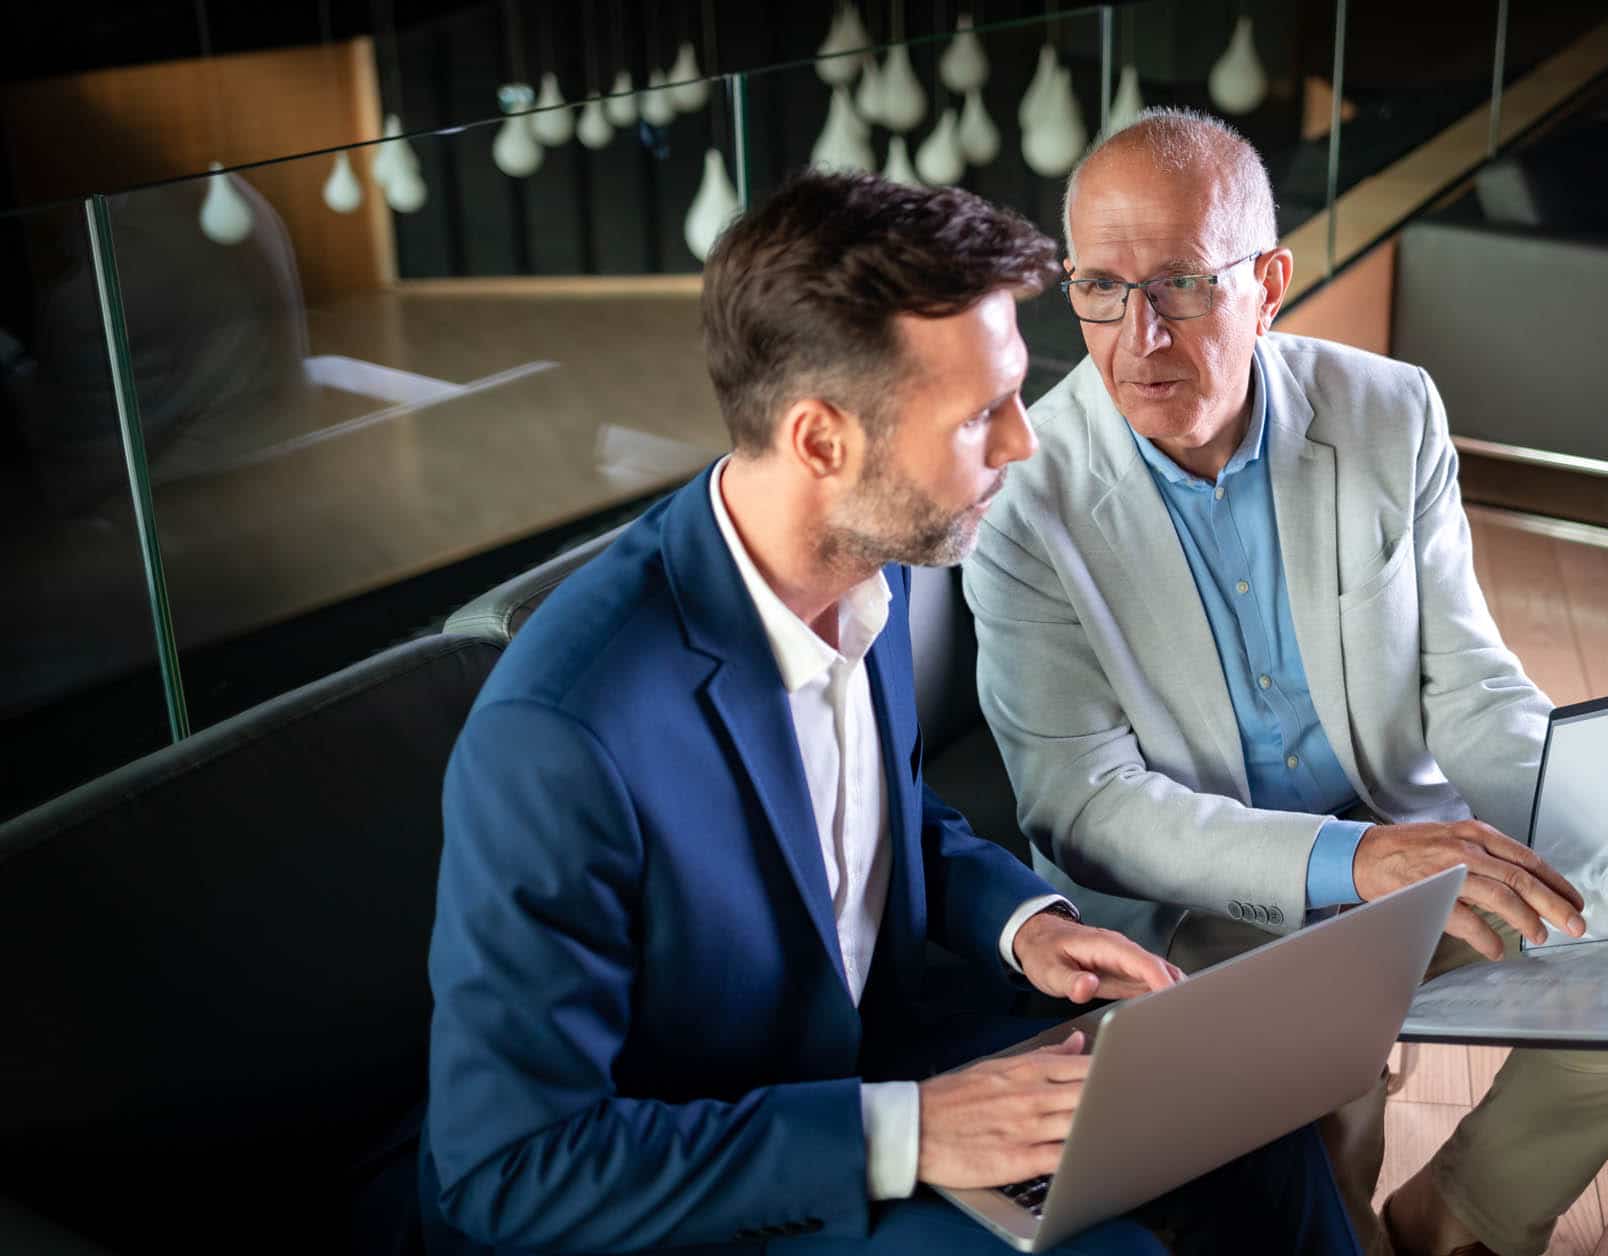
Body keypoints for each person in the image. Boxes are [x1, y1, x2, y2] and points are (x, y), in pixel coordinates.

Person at [418, 170, 1361, 1256]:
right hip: (712, 1179)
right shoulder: (561, 733)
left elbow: (870, 814)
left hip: (880, 1060)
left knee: (1242, 1106)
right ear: (822, 441)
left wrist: (1028, 926)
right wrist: (912, 1131)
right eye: (978, 416)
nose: (1021, 442)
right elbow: (508, 1171)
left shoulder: (876, 555)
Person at [960, 109, 1608, 1256]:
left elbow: (1469, 688)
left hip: (1409, 848)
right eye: (1099, 288)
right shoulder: (1021, 499)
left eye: (1183, 285)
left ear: (1269, 283)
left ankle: (1469, 1217)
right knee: (1319, 1197)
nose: (1137, 336)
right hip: (1197, 915)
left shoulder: (1390, 413)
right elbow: (1083, 807)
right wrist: (1348, 864)